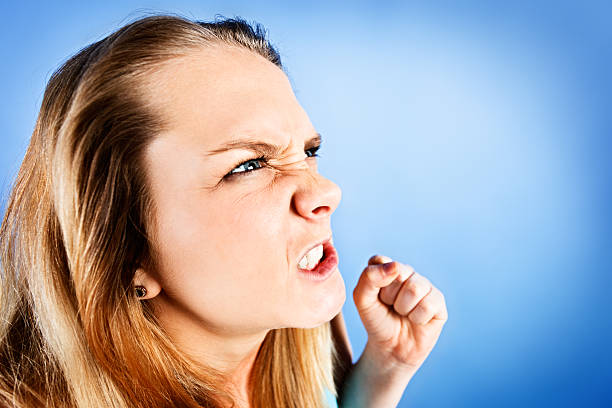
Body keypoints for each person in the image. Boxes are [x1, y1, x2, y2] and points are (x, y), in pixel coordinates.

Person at [0, 15, 447, 408]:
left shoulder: (311, 353)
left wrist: (381, 376)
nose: (326, 191)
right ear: (124, 251)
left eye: (309, 151)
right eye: (248, 165)